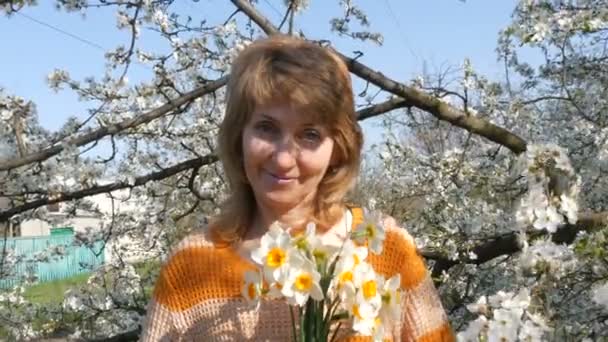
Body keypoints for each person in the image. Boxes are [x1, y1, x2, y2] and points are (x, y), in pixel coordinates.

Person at [140, 34, 454, 341]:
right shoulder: (191, 268)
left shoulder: (387, 250)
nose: (283, 157)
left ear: (339, 148)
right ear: (239, 138)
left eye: (310, 135)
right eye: (266, 128)